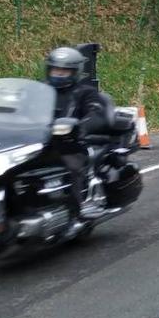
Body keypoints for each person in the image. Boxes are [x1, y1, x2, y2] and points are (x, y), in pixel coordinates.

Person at [44, 46, 106, 220]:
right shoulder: (41, 91)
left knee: (70, 167)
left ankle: (74, 212)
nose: (59, 74)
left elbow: (96, 114)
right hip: (40, 143)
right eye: (56, 69)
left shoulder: (86, 93)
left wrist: (80, 127)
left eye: (64, 71)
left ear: (75, 72)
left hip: (70, 145)